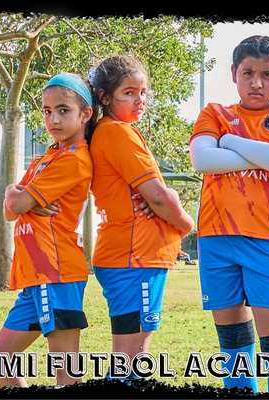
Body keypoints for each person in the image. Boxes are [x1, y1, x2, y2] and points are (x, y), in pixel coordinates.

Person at [188, 35, 269, 394]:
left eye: (267, 74)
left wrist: (229, 142)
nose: (257, 82)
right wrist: (262, 156)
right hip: (216, 239)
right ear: (233, 73)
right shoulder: (215, 113)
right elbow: (202, 159)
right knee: (233, 339)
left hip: (267, 238)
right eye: (248, 73)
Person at [89, 56, 195, 380]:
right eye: (129, 92)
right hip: (135, 258)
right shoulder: (118, 133)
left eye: (143, 92)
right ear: (105, 97)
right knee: (132, 361)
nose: (140, 100)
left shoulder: (108, 133)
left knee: (129, 361)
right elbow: (159, 197)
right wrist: (187, 224)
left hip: (128, 256)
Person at [0, 73, 95, 387]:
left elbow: (17, 204)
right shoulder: (46, 158)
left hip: (55, 272)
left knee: (66, 373)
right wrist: (15, 193)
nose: (53, 119)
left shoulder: (74, 158)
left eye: (63, 110)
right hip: (35, 277)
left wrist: (18, 195)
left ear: (85, 114)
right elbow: (10, 209)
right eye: (47, 111)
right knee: (0, 358)